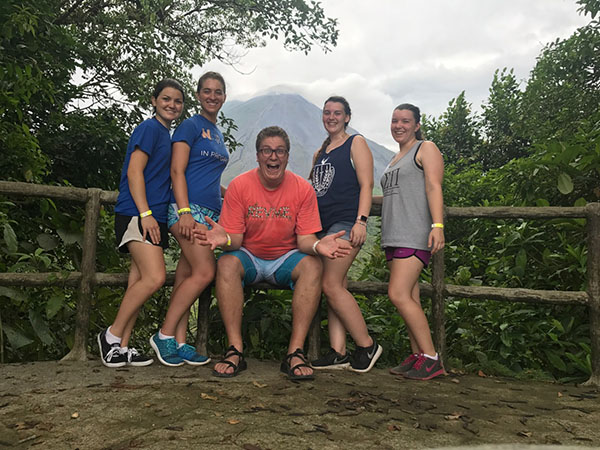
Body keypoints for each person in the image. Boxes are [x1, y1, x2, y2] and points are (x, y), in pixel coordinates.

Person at [194, 126, 352, 380]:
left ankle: (295, 352)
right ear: (257, 155)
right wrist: (223, 238)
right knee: (225, 264)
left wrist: (317, 246)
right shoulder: (240, 186)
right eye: (266, 150)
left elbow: (304, 241)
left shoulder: (302, 189)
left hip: (285, 258)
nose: (273, 156)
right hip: (249, 255)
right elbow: (235, 240)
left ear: (288, 156)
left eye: (279, 151)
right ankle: (235, 350)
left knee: (313, 266)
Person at [97, 79, 185, 367]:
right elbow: (135, 172)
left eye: (177, 101)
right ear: (154, 100)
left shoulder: (166, 135)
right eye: (166, 99)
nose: (171, 105)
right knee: (155, 277)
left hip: (152, 216)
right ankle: (110, 336)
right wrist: (146, 214)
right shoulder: (149, 129)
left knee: (138, 280)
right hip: (137, 215)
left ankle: (122, 346)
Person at [149, 72, 229, 367]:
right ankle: (164, 334)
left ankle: (180, 342)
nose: (212, 96)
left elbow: (207, 174)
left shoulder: (216, 132)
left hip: (209, 214)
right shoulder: (190, 126)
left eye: (218, 92)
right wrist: (183, 211)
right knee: (206, 272)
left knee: (186, 276)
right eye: (207, 91)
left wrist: (228, 193)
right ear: (198, 95)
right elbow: (177, 170)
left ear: (223, 97)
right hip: (187, 210)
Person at [309, 96, 382, 372]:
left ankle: (367, 345)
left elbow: (367, 184)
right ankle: (338, 352)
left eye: (337, 113)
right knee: (336, 286)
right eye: (327, 112)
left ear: (347, 117)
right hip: (322, 228)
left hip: (344, 223)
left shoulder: (356, 143)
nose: (331, 117)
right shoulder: (320, 152)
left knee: (330, 284)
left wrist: (361, 221)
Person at [374, 103, 446, 380]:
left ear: (416, 124)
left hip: (414, 232)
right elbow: (395, 195)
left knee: (398, 294)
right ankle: (418, 357)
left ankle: (431, 357)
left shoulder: (425, 148)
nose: (398, 125)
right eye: (394, 120)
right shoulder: (396, 157)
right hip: (394, 235)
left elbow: (433, 185)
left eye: (405, 121)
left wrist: (437, 225)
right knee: (411, 296)